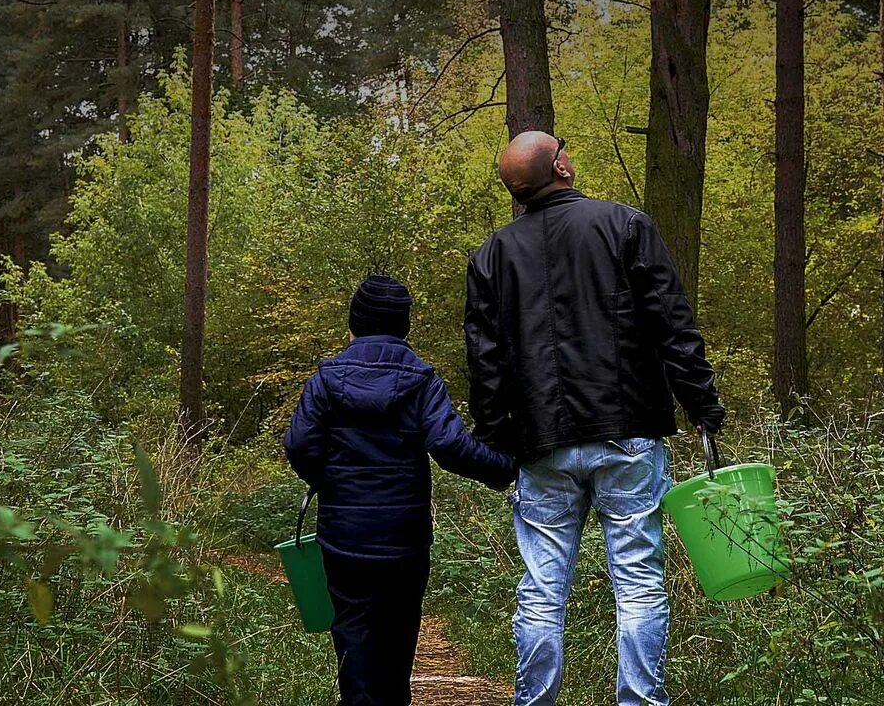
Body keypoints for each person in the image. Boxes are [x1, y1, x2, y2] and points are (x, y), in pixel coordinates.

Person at [464, 132, 725, 706]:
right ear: (560, 165)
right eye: (563, 148)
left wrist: (497, 439)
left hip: (542, 446)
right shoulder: (626, 226)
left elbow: (483, 362)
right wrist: (702, 404)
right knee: (638, 583)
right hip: (626, 432)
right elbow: (672, 326)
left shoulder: (491, 254)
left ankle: (534, 702)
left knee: (541, 591)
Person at [284, 274, 517, 706]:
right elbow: (449, 444)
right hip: (403, 538)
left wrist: (328, 478)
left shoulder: (326, 379)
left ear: (352, 324)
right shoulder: (422, 379)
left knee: (352, 631)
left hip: (344, 533)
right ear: (403, 327)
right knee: (397, 633)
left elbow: (299, 444)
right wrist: (504, 468)